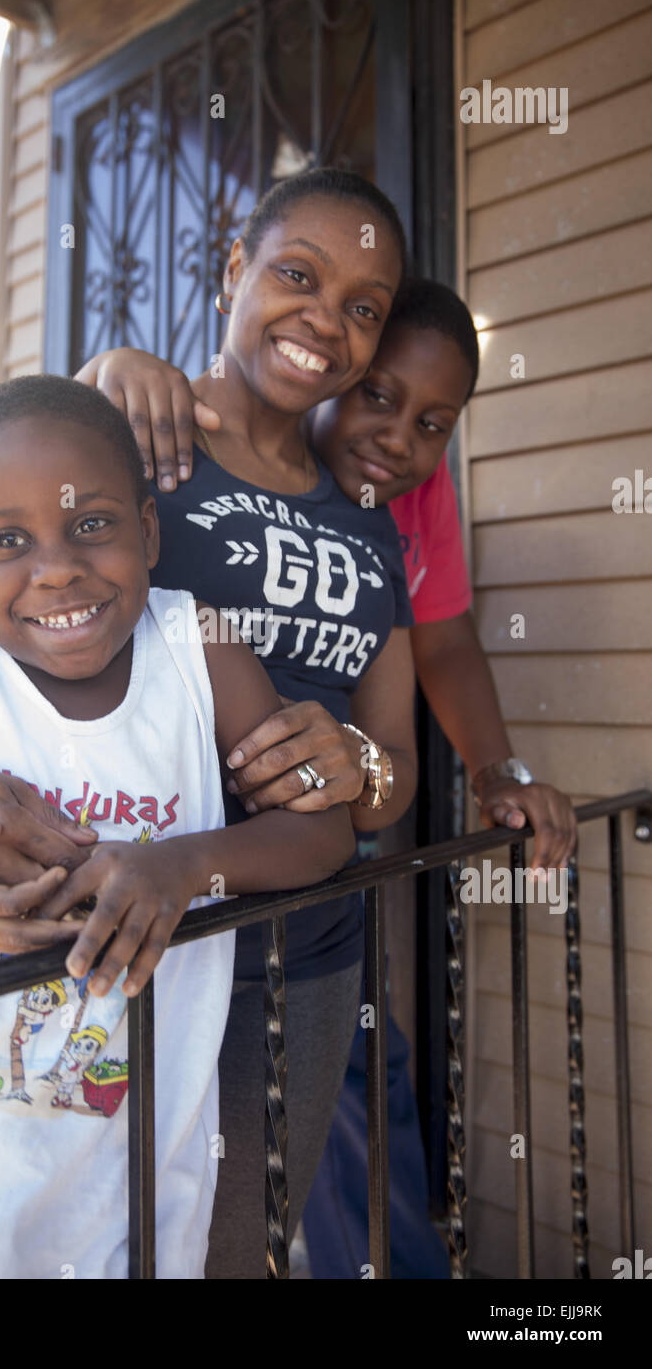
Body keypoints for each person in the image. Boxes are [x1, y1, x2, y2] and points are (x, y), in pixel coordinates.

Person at [0, 168, 421, 1278]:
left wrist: (353, 765)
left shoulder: (366, 531)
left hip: (297, 950)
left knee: (222, 1250)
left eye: (362, 307)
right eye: (296, 274)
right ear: (233, 269)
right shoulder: (137, 430)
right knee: (40, 1238)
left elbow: (394, 771)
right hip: (104, 942)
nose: (326, 319)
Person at [0, 375, 354, 1279]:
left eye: (92, 523)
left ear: (149, 531)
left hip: (125, 1151)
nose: (56, 567)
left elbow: (323, 832)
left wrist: (185, 865)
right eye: (7, 540)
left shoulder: (194, 648)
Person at [302, 277, 577, 1278]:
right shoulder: (247, 464)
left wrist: (497, 770)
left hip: (340, 836)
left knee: (370, 1079)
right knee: (312, 1104)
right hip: (212, 851)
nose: (398, 436)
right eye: (377, 396)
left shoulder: (410, 494)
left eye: (433, 421)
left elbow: (444, 637)